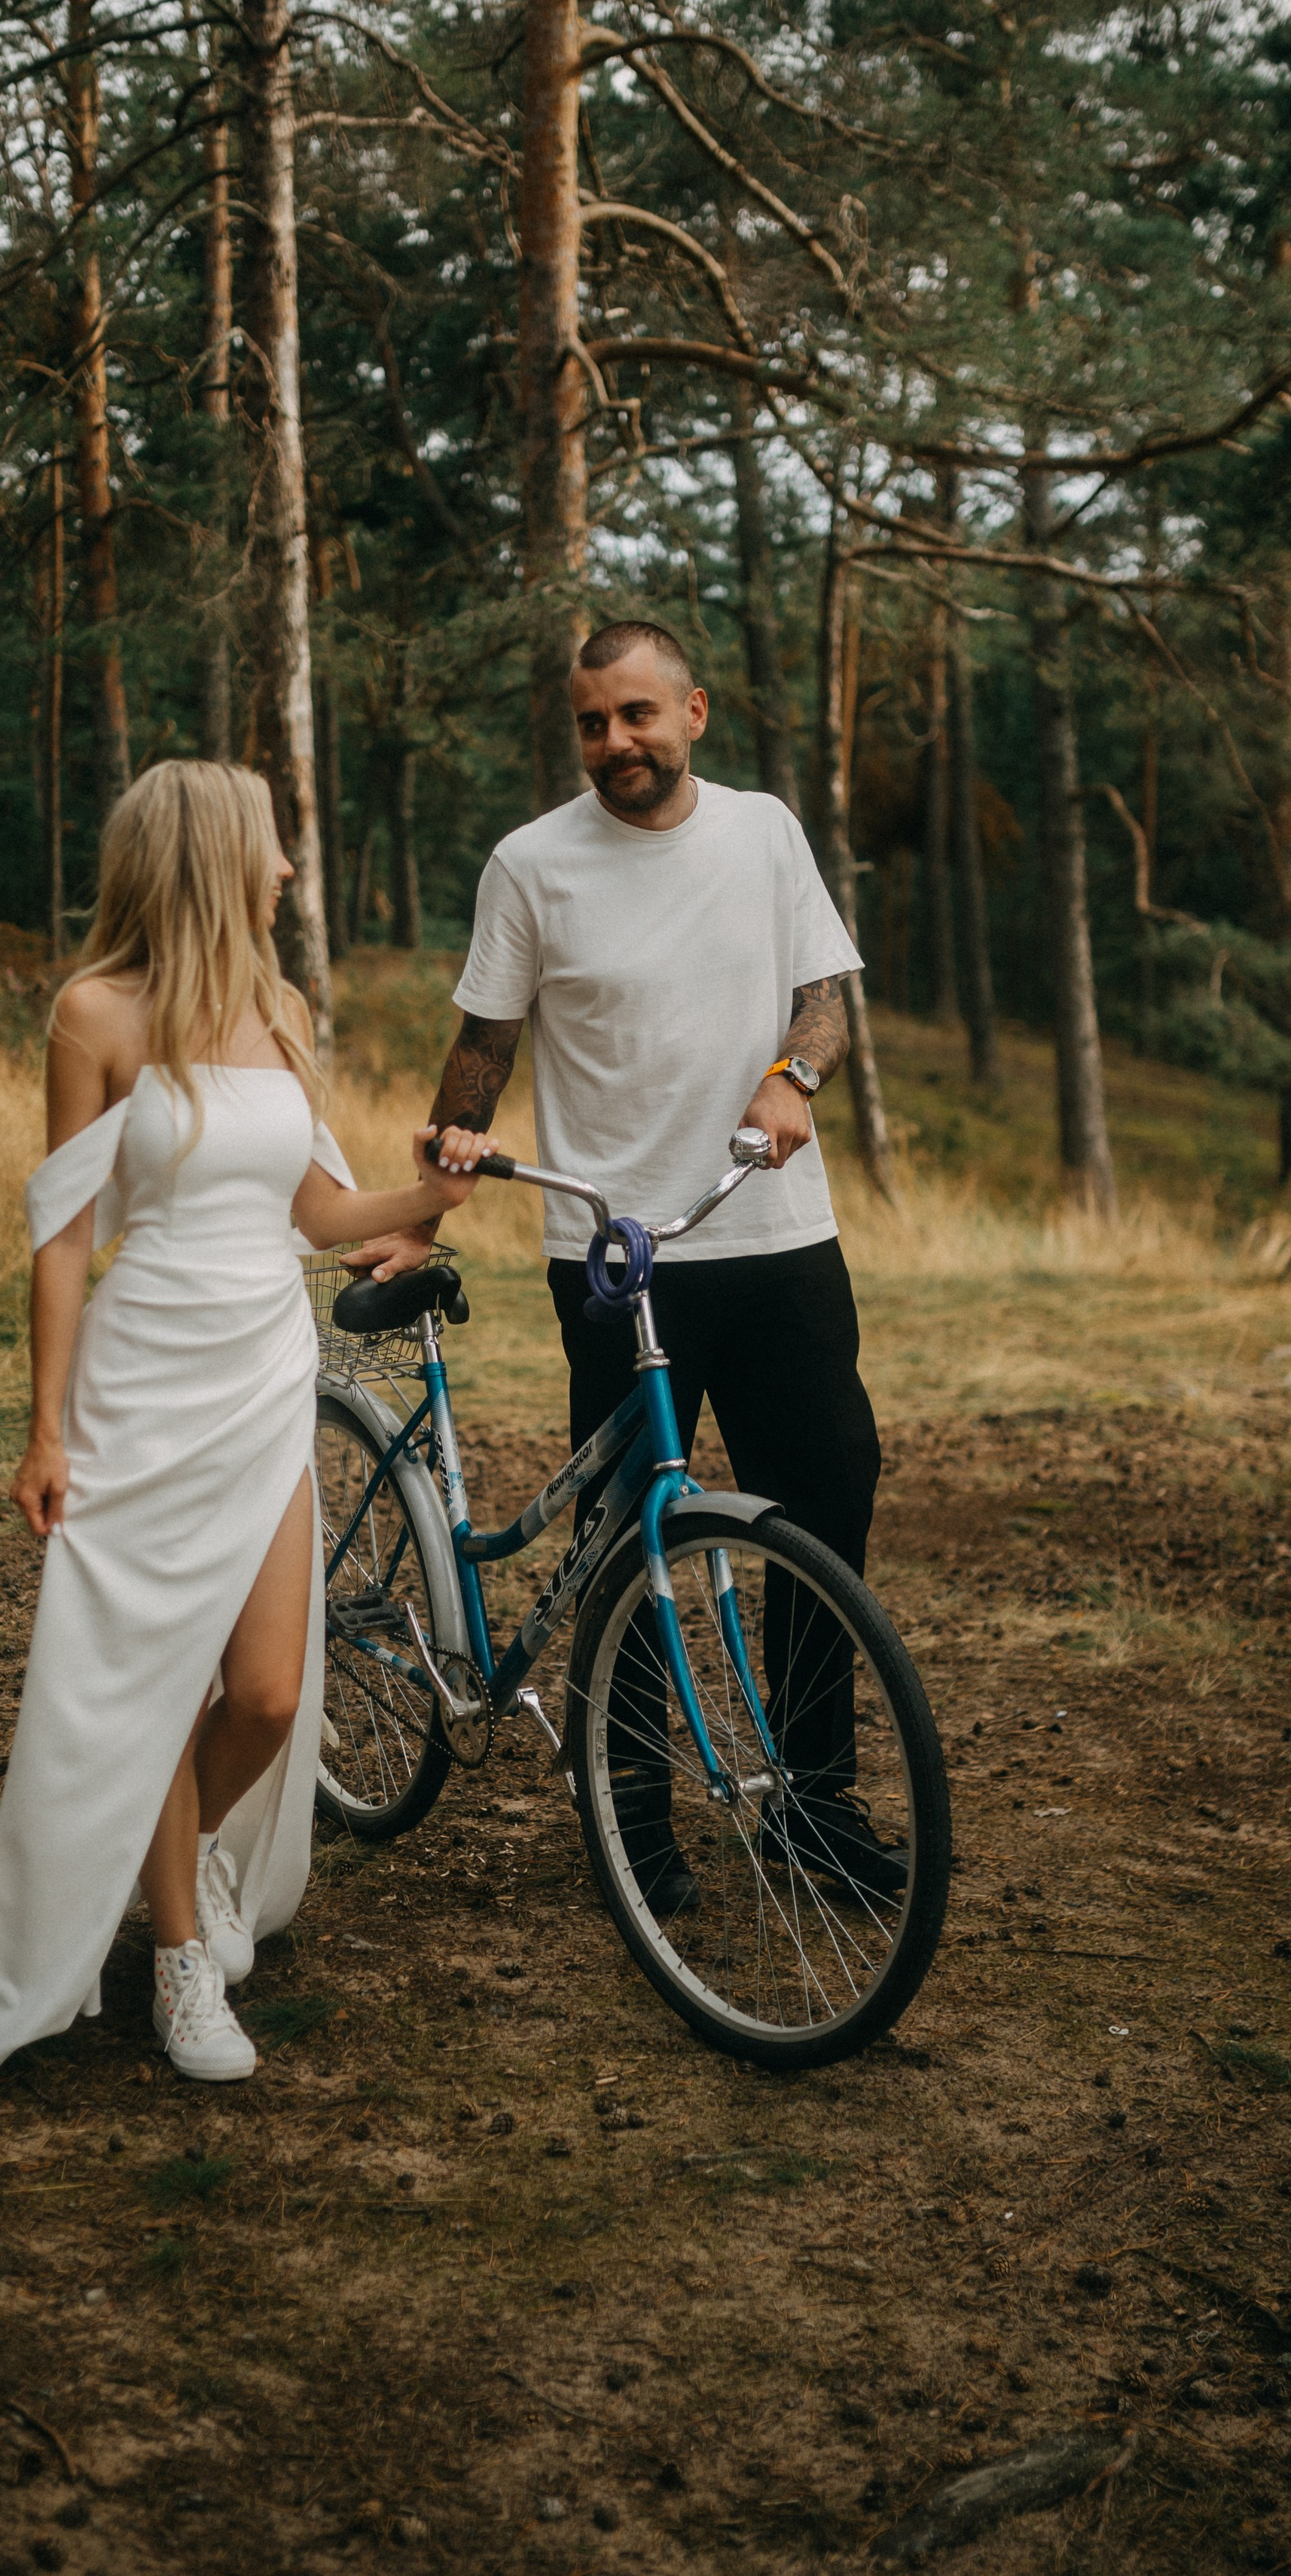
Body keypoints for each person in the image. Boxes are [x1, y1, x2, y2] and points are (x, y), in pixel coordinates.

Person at [0, 762, 490, 2084]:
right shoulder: (94, 1015)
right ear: (209, 856)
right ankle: (179, 1961)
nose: (291, 870)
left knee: (263, 1690)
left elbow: (315, 1215)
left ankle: (179, 1840)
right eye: (272, 847)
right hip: (139, 1384)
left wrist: (429, 1194)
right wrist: (44, 1430)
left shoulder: (282, 1007)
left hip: (264, 1372)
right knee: (137, 1685)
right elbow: (66, 1238)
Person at [361, 621, 901, 1912]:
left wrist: (794, 1077)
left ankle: (812, 1808)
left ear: (695, 711)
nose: (617, 743)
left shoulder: (767, 830)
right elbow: (483, 1051)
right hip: (614, 1258)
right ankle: (632, 1816)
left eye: (640, 716)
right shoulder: (531, 865)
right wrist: (431, 1210)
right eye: (594, 723)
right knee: (627, 1548)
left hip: (775, 1238)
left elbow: (825, 992)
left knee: (826, 1508)